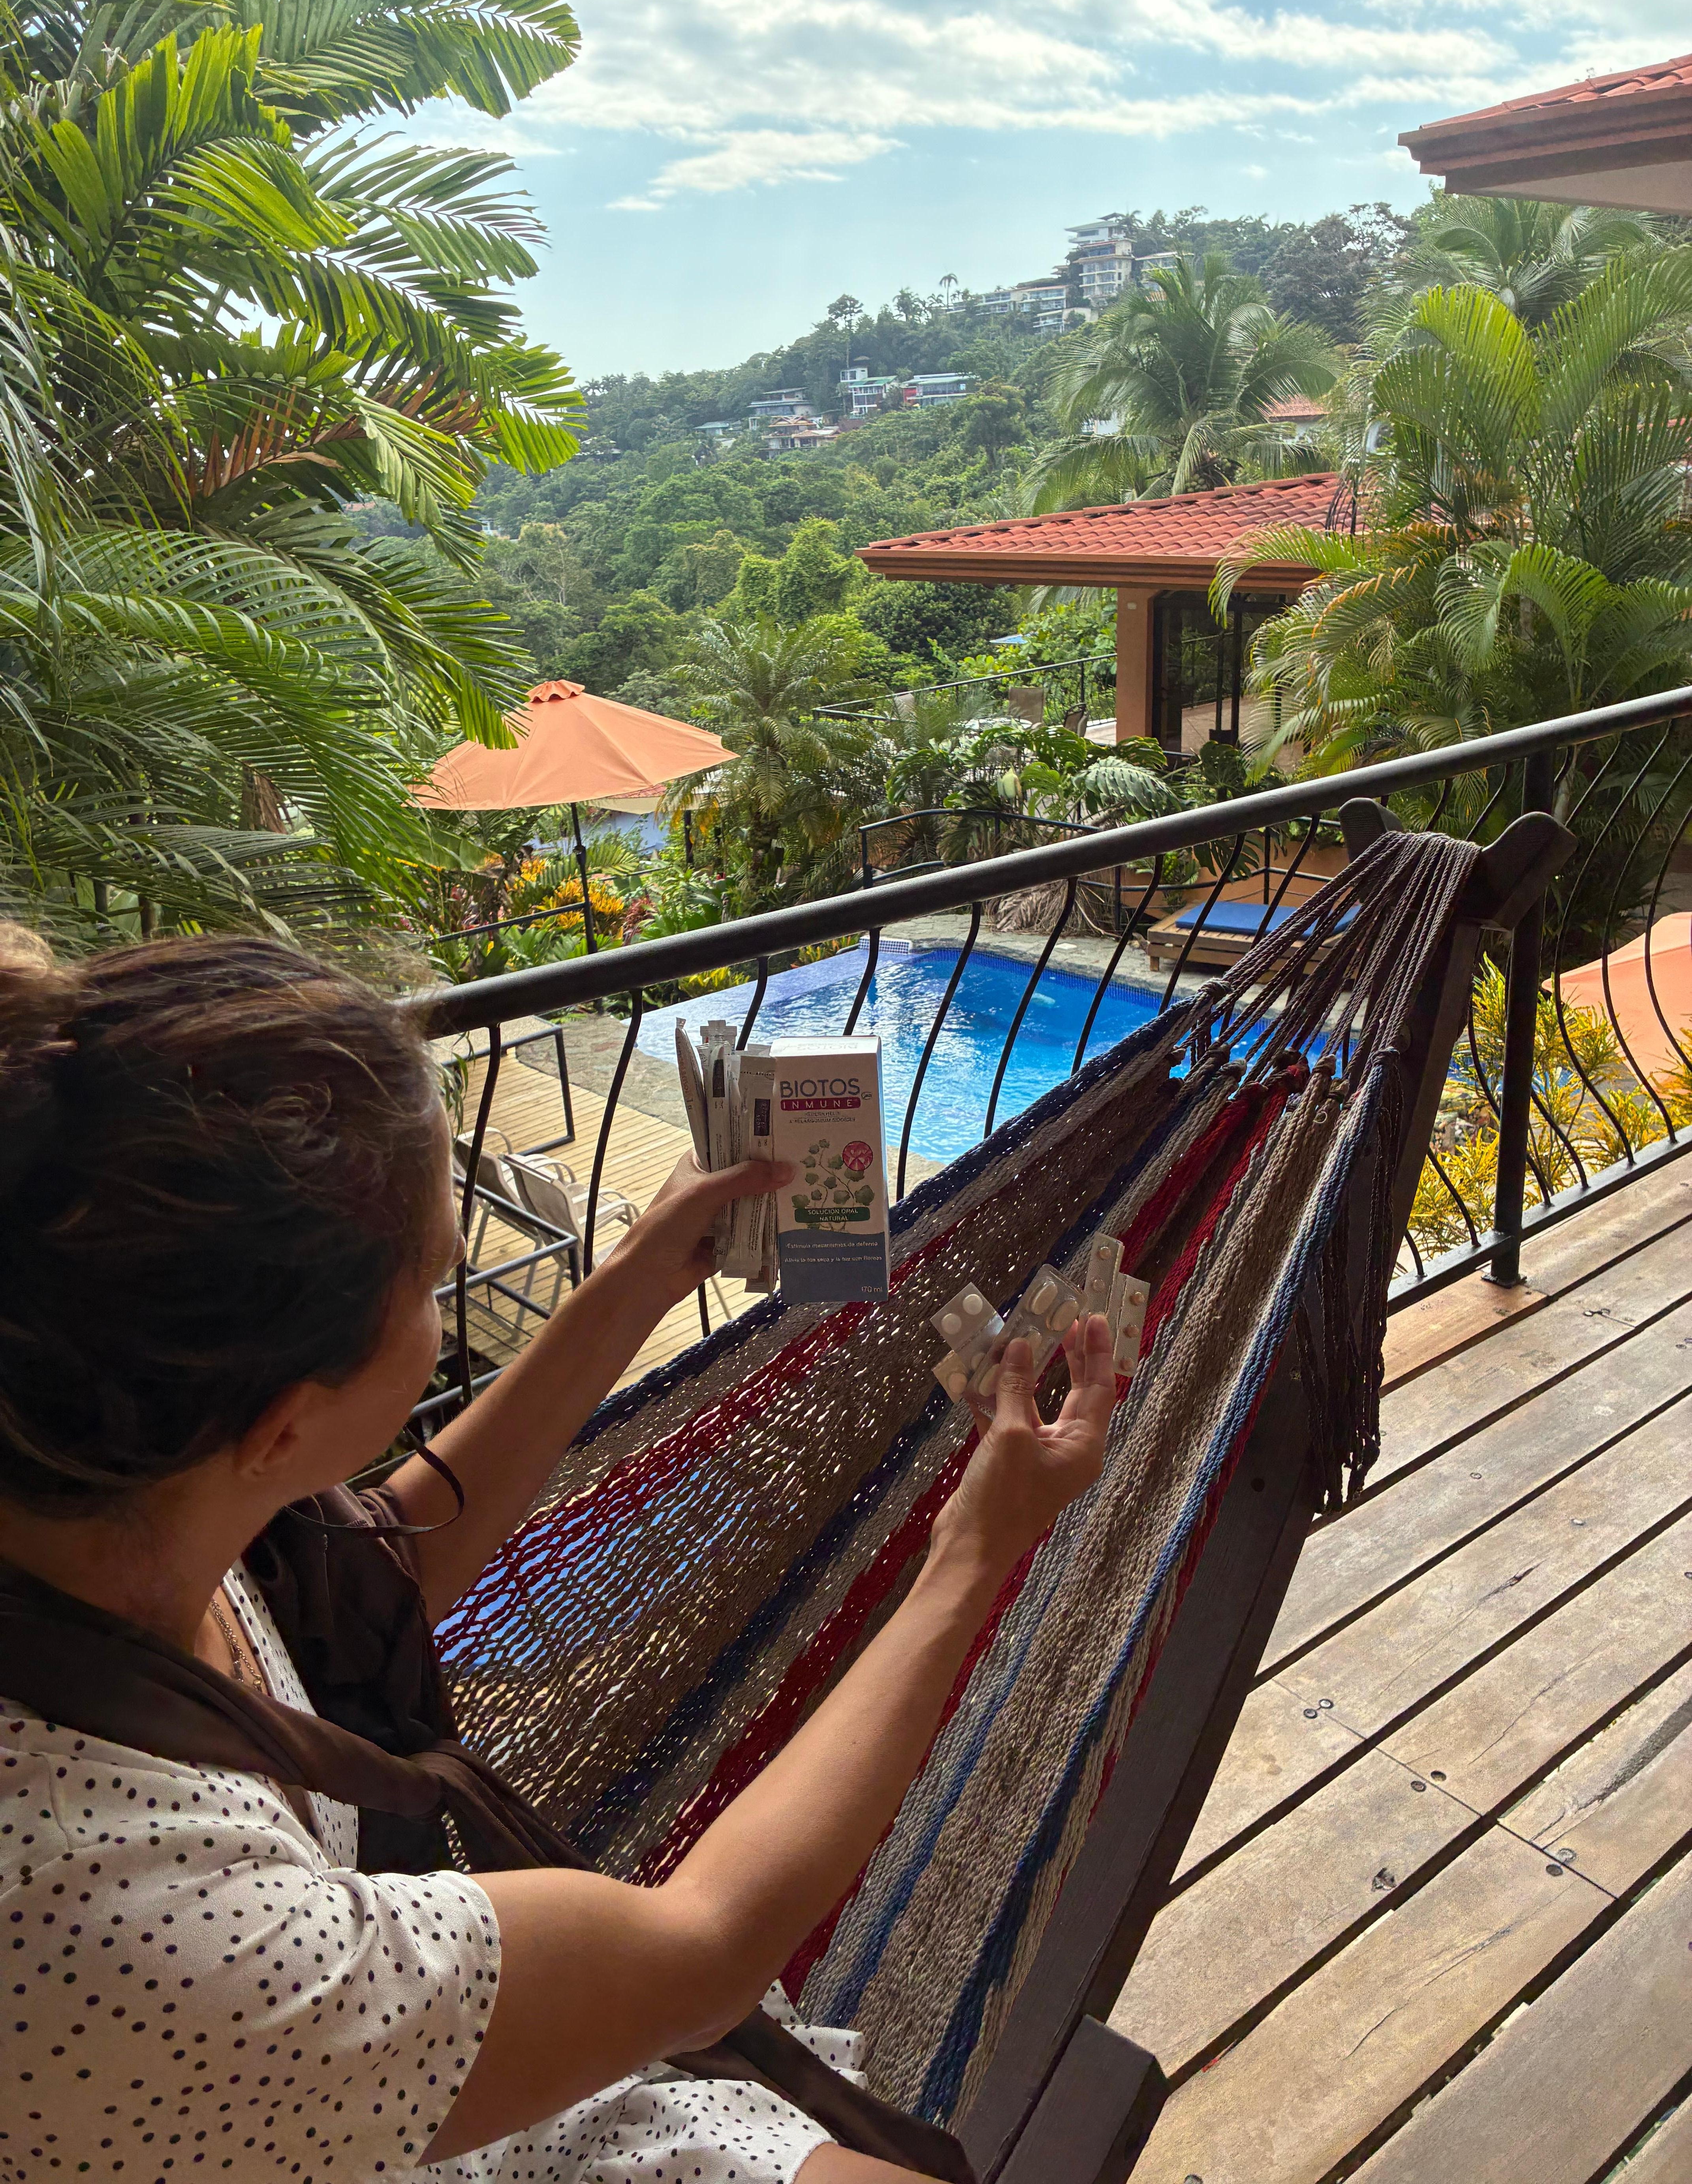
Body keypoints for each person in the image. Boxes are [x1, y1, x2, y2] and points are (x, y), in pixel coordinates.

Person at [0, 930, 1114, 2184]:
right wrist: (973, 1550)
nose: (443, 1312)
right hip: (343, 2095)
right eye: (436, 1282)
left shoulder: (98, 1487)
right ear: (281, 1429)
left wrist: (639, 1273)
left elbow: (364, 1591)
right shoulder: (120, 1910)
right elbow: (700, 1954)